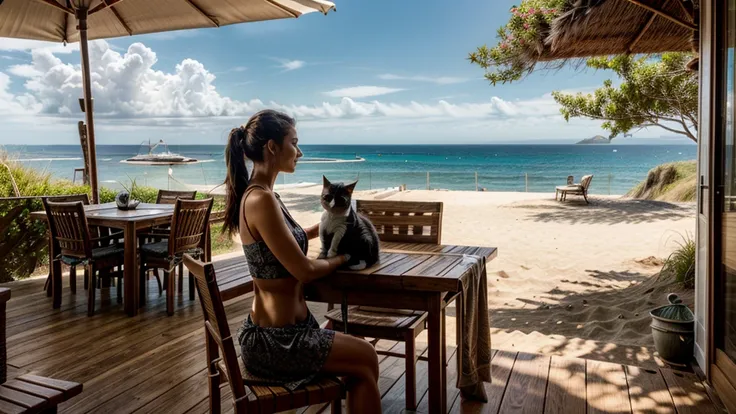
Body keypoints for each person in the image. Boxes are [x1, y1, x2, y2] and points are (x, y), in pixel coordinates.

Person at [222, 109, 381, 412]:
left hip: (290, 331)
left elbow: (285, 242)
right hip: (276, 342)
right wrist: (344, 256)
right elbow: (305, 270)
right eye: (294, 142)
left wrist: (337, 226)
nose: (300, 151)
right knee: (366, 356)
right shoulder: (261, 199)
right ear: (272, 147)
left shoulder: (266, 195)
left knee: (362, 366)